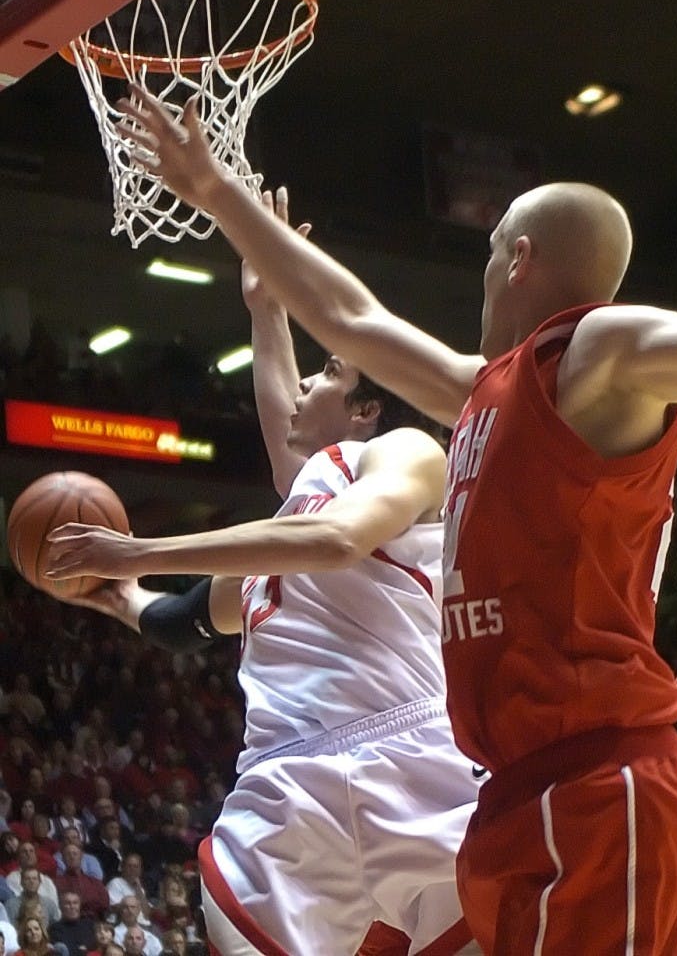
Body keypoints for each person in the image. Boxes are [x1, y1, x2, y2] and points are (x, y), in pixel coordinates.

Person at [91, 86, 677, 954]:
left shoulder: (598, 354)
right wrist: (216, 194)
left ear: (517, 257)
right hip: (523, 782)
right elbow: (352, 317)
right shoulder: (488, 394)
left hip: (597, 769)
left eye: (491, 249)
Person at [45, 194, 482, 953]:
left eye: (329, 375)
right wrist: (110, 592)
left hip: (404, 753)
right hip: (284, 789)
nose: (306, 385)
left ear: (367, 411)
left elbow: (339, 536)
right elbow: (178, 622)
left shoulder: (408, 453)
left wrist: (141, 550)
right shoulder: (276, 543)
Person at [48, 891, 96, 956]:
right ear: (60, 906)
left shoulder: (90, 925)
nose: (72, 906)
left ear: (80, 905)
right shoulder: (54, 929)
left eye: (75, 903)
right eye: (67, 903)